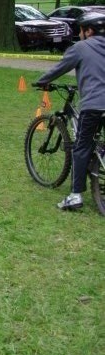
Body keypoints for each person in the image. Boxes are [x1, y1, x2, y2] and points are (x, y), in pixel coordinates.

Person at [32, 12, 105, 211]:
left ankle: (75, 196)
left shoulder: (80, 47)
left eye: (80, 30)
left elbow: (60, 68)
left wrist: (42, 80)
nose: (79, 34)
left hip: (94, 104)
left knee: (81, 147)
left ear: (88, 31)